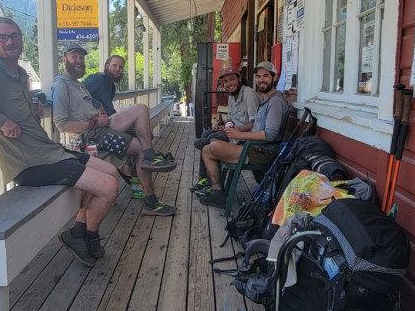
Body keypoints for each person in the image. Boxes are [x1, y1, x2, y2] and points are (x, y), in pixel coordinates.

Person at [0, 18, 118, 268]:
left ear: (21, 40)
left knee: (111, 171)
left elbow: (16, 110)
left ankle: (78, 233)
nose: (9, 41)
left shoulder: (20, 74)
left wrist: (32, 109)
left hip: (49, 152)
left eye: (14, 36)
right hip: (30, 163)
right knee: (108, 187)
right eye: (2, 37)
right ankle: (87, 236)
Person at [51, 44, 176, 217]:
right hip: (92, 136)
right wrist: (94, 123)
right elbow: (62, 125)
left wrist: (99, 110)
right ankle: (150, 200)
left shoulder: (77, 84)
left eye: (81, 57)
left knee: (141, 109)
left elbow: (91, 102)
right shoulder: (61, 85)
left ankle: (149, 158)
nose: (79, 60)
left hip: (102, 127)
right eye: (74, 57)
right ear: (64, 59)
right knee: (140, 146)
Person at [198, 60, 291, 208]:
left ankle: (216, 192)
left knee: (213, 146)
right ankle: (217, 193)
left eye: (266, 76)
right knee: (207, 148)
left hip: (263, 152)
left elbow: (270, 135)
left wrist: (239, 135)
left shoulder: (275, 102)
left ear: (274, 77)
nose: (261, 79)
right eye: (258, 76)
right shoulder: (267, 100)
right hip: (253, 147)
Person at [84, 54, 176, 174]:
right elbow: (81, 94)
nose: (118, 69)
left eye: (120, 67)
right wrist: (98, 106)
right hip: (95, 130)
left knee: (144, 135)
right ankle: (143, 159)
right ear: (107, 66)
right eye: (114, 65)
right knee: (141, 110)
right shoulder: (98, 79)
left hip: (105, 122)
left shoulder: (110, 85)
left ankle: (132, 168)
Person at [190, 66, 260, 196]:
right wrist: (222, 125)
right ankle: (204, 180)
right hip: (233, 133)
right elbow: (232, 119)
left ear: (239, 79)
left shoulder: (249, 95)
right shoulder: (231, 95)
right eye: (225, 81)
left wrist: (236, 130)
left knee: (211, 140)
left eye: (232, 79)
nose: (229, 84)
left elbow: (256, 124)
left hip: (244, 138)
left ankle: (213, 184)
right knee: (207, 133)